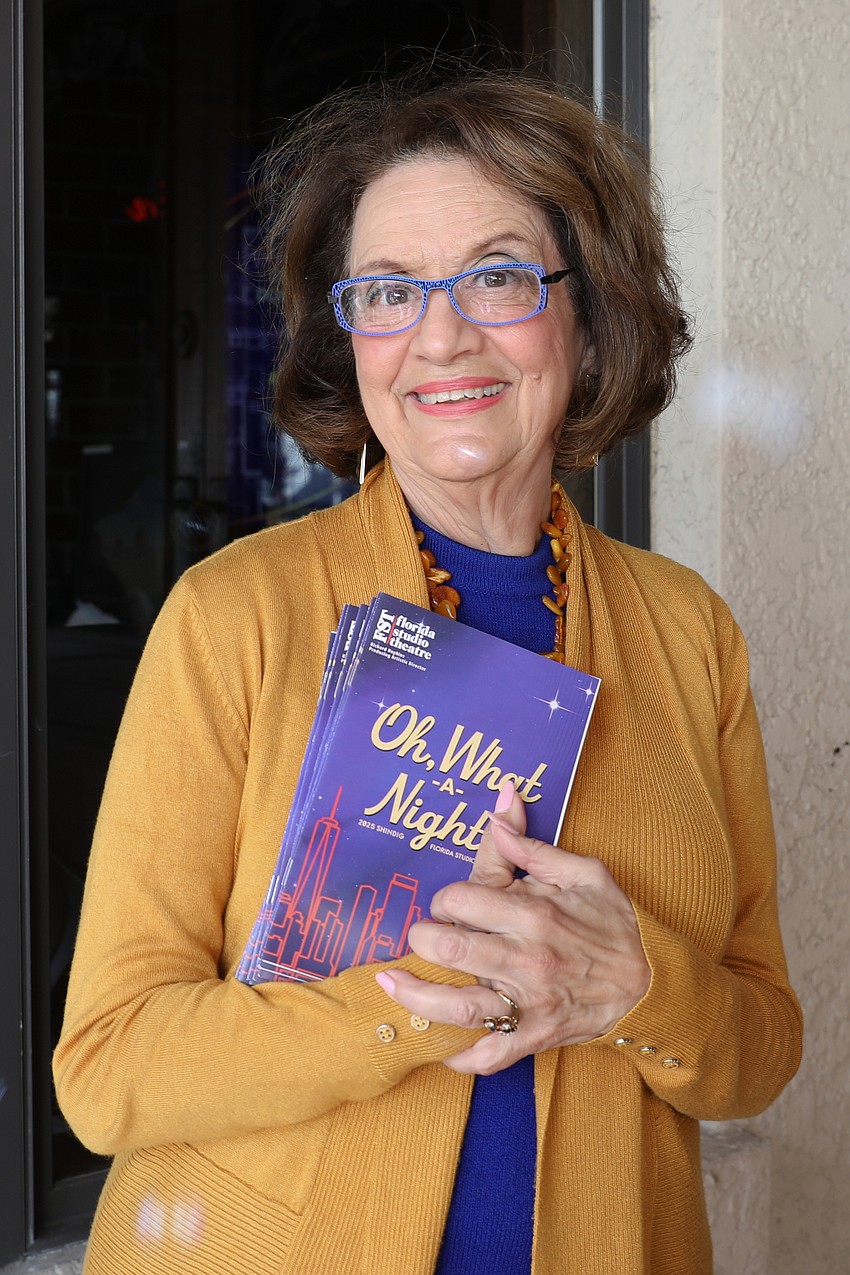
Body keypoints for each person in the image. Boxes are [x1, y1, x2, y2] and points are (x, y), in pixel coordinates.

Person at [54, 67, 802, 1275]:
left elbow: (760, 1041)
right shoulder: (233, 616)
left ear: (588, 309)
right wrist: (421, 998)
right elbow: (108, 1069)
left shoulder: (687, 630)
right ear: (346, 338)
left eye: (497, 276)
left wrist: (637, 984)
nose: (440, 335)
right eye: (389, 292)